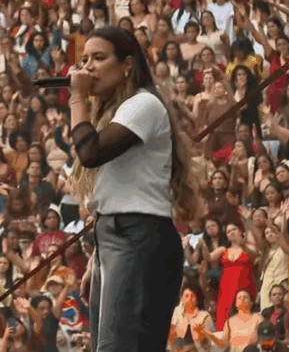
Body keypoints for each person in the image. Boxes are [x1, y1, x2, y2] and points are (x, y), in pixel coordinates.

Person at [68, 26, 199, 352]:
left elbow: (90, 152)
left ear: (127, 64)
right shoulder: (119, 112)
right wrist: (99, 254)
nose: (88, 68)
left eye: (99, 58)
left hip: (137, 237)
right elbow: (120, 188)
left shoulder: (143, 104)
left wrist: (76, 98)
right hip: (114, 235)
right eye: (85, 59)